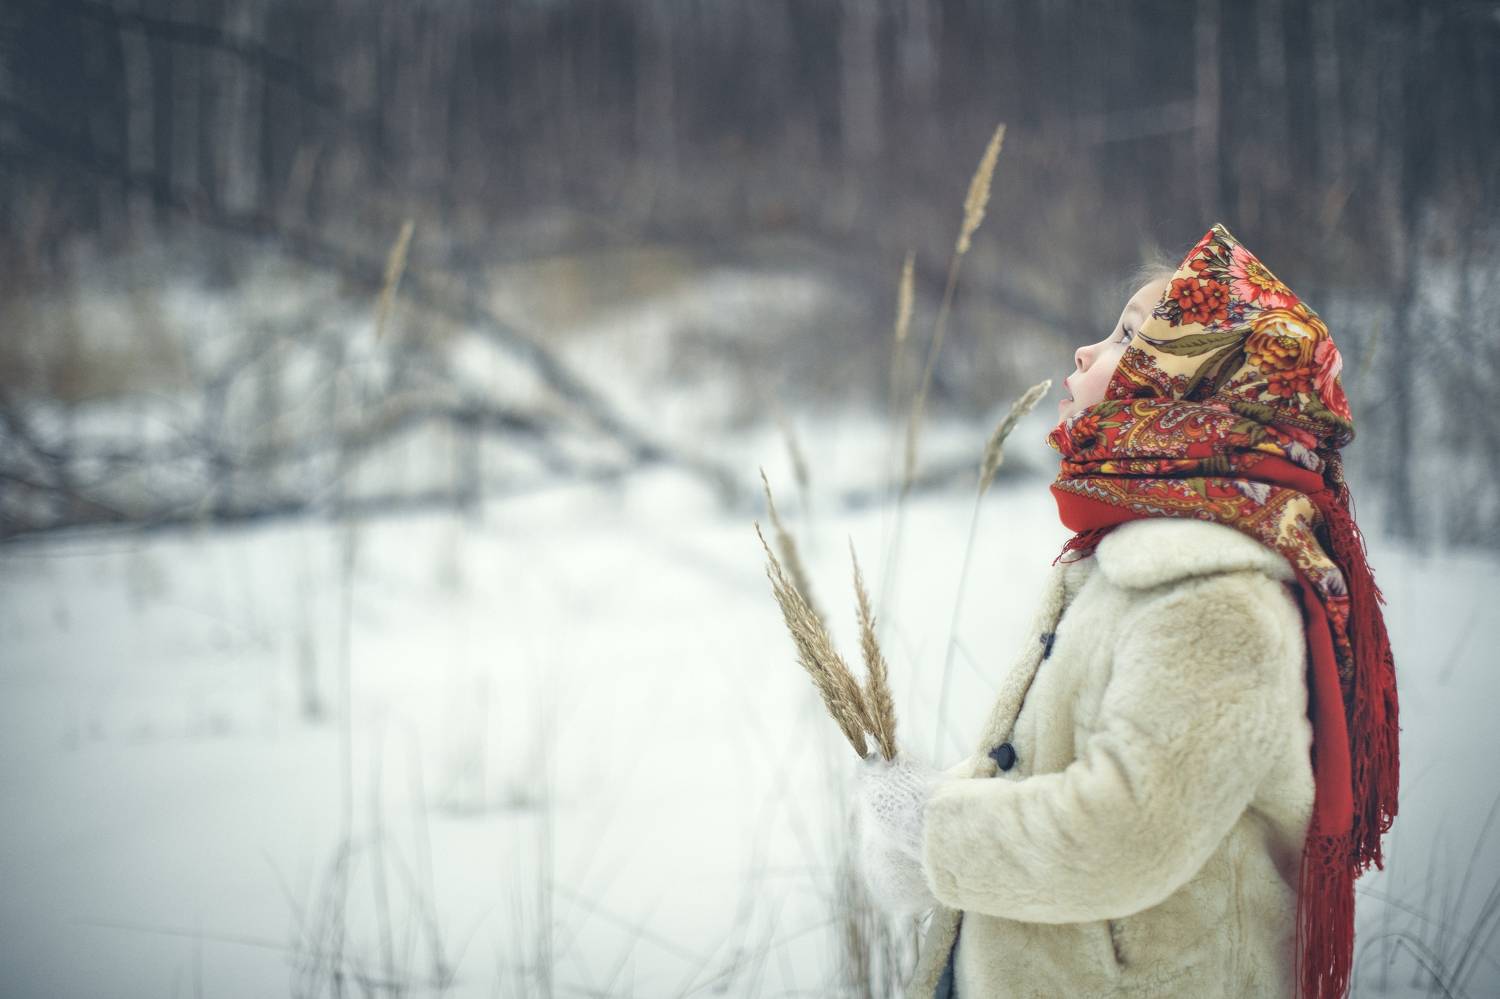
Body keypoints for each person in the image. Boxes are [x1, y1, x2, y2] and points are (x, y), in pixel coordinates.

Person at [855, 223, 1400, 999]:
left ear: (1188, 384)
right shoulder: (1137, 555)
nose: (1085, 352)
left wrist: (936, 828)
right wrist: (936, 828)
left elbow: (1124, 832)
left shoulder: (1216, 597)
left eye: (1128, 336)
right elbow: (1069, 768)